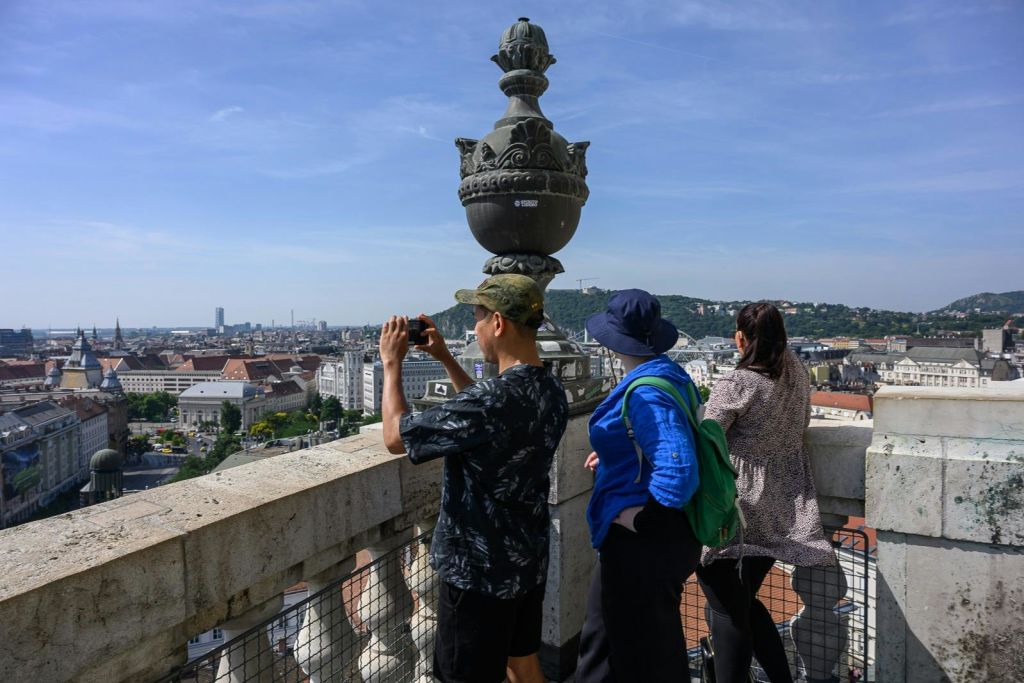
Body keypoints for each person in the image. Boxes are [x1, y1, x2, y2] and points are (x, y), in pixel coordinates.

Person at [379, 273, 569, 683]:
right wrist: (446, 358)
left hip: (476, 571)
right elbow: (485, 416)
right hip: (526, 557)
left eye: (478, 317)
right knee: (523, 662)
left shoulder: (489, 401)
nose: (477, 327)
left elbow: (396, 437)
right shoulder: (549, 388)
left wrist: (391, 363)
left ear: (498, 323)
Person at [696, 303, 835, 683]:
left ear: (741, 338)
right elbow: (804, 420)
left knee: (726, 604)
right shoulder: (796, 371)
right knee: (743, 603)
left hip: (740, 504)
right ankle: (781, 679)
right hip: (785, 498)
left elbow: (709, 441)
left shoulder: (737, 383)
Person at [575, 289, 701, 683]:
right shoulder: (669, 375)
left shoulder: (646, 391)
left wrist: (645, 521)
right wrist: (616, 457)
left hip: (644, 545)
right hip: (664, 545)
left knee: (633, 653)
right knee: (639, 643)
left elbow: (677, 470)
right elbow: (656, 443)